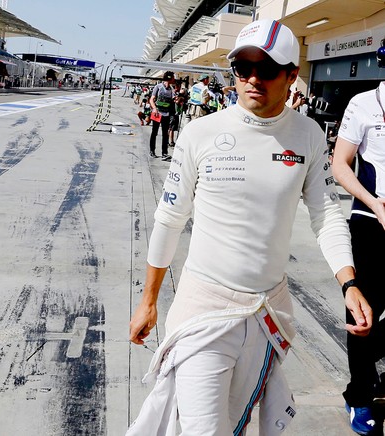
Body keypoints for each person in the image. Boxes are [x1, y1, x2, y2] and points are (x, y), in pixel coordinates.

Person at [127, 19, 372, 436]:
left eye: (268, 68)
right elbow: (169, 219)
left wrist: (349, 284)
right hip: (202, 308)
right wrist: (148, 300)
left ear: (292, 75)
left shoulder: (309, 135)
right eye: (243, 68)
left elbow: (326, 214)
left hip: (267, 312)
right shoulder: (201, 132)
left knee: (235, 426)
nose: (253, 79)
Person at [331, 39, 385, 436]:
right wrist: (375, 203)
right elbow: (340, 165)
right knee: (363, 314)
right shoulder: (364, 104)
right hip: (370, 221)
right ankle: (361, 395)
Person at [148, 71, 176, 160]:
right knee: (154, 132)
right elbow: (151, 99)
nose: (174, 79)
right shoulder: (158, 87)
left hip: (166, 114)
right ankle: (152, 150)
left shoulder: (171, 89)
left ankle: (164, 153)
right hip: (157, 113)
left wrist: (177, 99)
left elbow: (173, 100)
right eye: (173, 77)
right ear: (169, 78)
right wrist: (154, 108)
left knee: (165, 134)